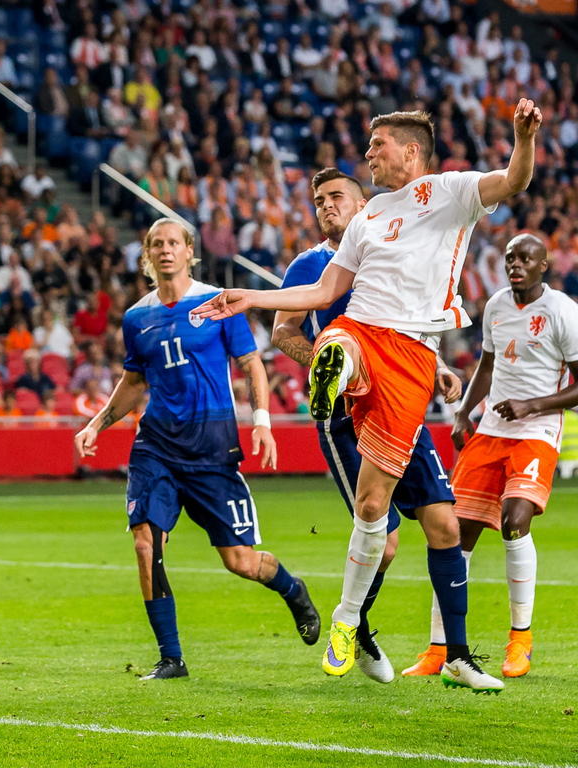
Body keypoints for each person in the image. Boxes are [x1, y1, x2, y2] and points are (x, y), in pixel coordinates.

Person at [194, 99, 542, 692]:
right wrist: (249, 297)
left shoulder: (450, 191)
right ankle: (340, 371)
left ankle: (350, 620)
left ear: (409, 150)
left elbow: (513, 179)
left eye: (376, 145)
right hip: (361, 328)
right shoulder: (370, 215)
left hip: (412, 354)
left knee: (375, 508)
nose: (368, 154)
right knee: (340, 340)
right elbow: (329, 287)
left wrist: (522, 137)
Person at [74, 218, 320, 681]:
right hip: (157, 446)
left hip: (212, 450)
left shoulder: (218, 303)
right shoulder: (136, 318)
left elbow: (251, 365)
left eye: (174, 243)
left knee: (241, 562)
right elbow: (134, 381)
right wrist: (97, 423)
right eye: (156, 244)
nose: (166, 250)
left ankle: (293, 590)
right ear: (148, 256)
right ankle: (171, 658)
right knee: (146, 544)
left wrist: (262, 423)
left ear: (189, 252)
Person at [271, 168, 460, 684]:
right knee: (388, 536)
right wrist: (320, 365)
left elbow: (406, 324)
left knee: (445, 523)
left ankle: (456, 654)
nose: (326, 205)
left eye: (336, 196)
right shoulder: (309, 266)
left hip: (399, 399)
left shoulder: (388, 253)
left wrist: (436, 367)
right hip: (342, 417)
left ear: (363, 205)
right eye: (319, 199)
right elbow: (281, 330)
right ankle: (357, 626)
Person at [408, 234, 578, 679]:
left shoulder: (563, 312)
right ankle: (437, 649)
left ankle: (520, 640)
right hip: (491, 430)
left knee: (514, 519)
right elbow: (487, 365)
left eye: (526, 258)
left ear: (544, 266)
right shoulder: (498, 307)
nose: (515, 264)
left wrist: (532, 405)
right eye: (510, 258)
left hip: (536, 431)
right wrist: (465, 413)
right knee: (452, 533)